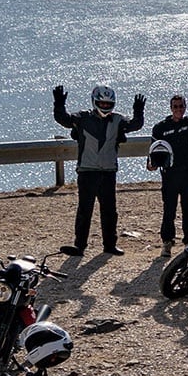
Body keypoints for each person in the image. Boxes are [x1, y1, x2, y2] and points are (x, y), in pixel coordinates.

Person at [52, 83, 143, 256]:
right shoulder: (82, 117)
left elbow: (135, 125)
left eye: (108, 104)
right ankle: (80, 245)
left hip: (108, 171)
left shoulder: (118, 119)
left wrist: (138, 110)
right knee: (85, 210)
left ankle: (110, 245)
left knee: (110, 211)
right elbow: (64, 119)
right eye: (102, 103)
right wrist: (59, 103)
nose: (105, 106)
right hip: (87, 171)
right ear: (94, 102)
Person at [148, 92, 188, 252]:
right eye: (175, 106)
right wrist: (151, 164)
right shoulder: (160, 128)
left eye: (181, 106)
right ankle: (167, 242)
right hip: (170, 174)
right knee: (169, 209)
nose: (178, 109)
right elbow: (153, 150)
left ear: (185, 107)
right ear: (171, 108)